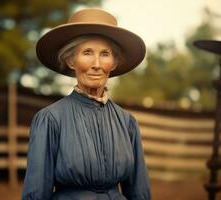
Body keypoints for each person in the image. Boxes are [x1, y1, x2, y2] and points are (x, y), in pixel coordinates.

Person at [22, 8, 150, 200]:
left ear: (113, 63)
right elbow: (36, 193)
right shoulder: (50, 119)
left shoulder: (127, 122)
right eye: (87, 53)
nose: (97, 64)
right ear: (71, 60)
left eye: (105, 54)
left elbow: (139, 192)